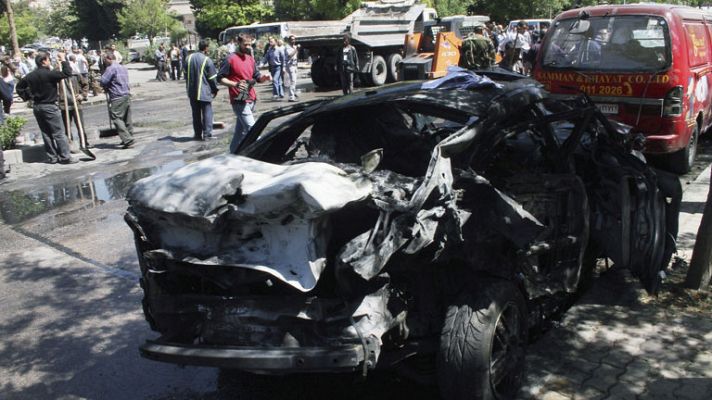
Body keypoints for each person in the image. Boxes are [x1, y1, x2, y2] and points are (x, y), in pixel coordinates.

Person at [16, 51, 77, 164]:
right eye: (48, 60)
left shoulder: (30, 76)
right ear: (44, 61)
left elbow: (19, 87)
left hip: (37, 106)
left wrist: (28, 96)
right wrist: (63, 59)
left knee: (46, 133)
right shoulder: (50, 74)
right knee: (58, 132)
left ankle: (52, 157)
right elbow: (67, 73)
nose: (49, 62)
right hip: (49, 106)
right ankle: (65, 157)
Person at [217, 33, 271, 153]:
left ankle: (233, 152)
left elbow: (257, 76)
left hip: (251, 96)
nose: (248, 47)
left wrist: (264, 77)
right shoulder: (230, 58)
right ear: (238, 43)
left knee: (240, 131)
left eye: (250, 44)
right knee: (252, 128)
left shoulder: (250, 59)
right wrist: (235, 84)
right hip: (239, 98)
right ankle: (267, 151)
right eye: (245, 44)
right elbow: (220, 78)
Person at [184, 40, 219, 140]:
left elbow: (185, 74)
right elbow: (212, 78)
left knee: (195, 114)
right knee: (207, 113)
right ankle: (207, 135)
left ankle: (197, 134)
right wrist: (215, 90)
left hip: (192, 92)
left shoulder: (188, 58)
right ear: (206, 48)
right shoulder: (207, 60)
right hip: (204, 92)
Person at [100, 52, 135, 148]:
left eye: (104, 60)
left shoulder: (111, 68)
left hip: (117, 96)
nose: (104, 62)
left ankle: (127, 139)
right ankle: (129, 136)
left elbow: (103, 81)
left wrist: (103, 82)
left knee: (116, 117)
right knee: (126, 118)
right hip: (126, 94)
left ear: (108, 59)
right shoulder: (122, 67)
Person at [58, 74, 89, 149]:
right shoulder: (57, 75)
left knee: (80, 125)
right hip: (64, 105)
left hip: (76, 103)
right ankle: (70, 144)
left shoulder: (75, 75)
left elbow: (85, 84)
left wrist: (83, 95)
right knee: (67, 127)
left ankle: (84, 143)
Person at [284, 35, 299, 102]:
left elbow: (295, 56)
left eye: (294, 39)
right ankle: (291, 97)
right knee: (293, 81)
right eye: (292, 39)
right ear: (289, 40)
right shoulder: (287, 47)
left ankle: (293, 92)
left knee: (294, 81)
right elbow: (289, 55)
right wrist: (296, 50)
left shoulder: (294, 47)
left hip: (294, 65)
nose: (293, 40)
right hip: (290, 66)